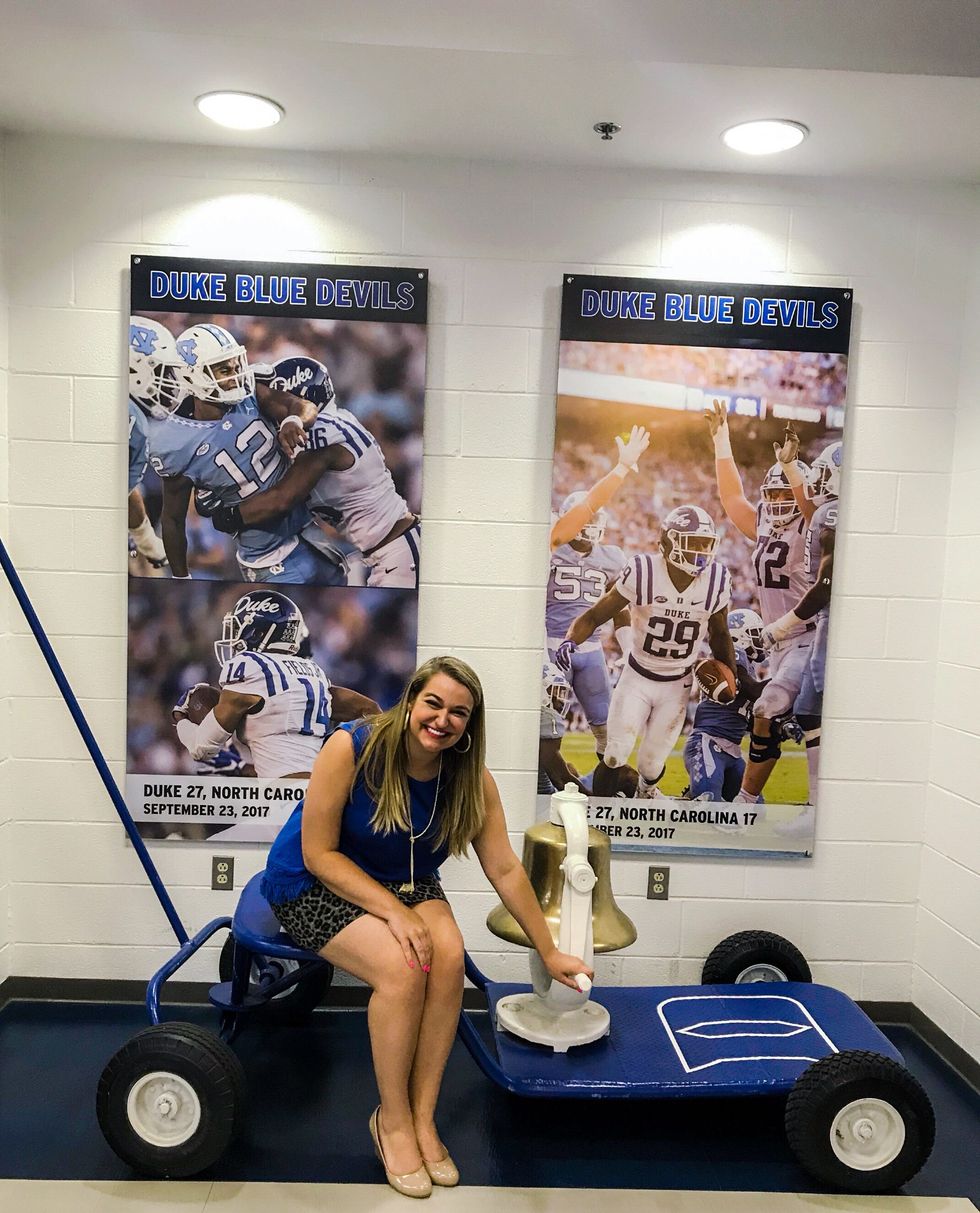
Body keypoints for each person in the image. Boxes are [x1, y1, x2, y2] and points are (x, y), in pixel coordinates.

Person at [261, 656, 592, 1197]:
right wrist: (395, 913)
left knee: (449, 958)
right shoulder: (351, 747)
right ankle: (391, 1121)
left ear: (470, 724)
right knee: (402, 969)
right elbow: (319, 854)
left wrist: (549, 950)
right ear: (411, 700)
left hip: (405, 878)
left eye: (458, 713)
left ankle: (422, 1117)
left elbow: (505, 868)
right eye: (433, 704)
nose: (442, 720)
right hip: (313, 881)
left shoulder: (470, 779)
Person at [558, 504, 736, 799]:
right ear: (668, 542)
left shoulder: (716, 580)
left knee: (651, 766)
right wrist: (570, 640)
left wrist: (732, 675)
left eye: (706, 544)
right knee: (614, 753)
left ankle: (645, 793)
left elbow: (720, 634)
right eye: (693, 542)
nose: (701, 551)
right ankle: (599, 814)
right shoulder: (644, 571)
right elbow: (595, 614)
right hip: (637, 676)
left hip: (677, 683)